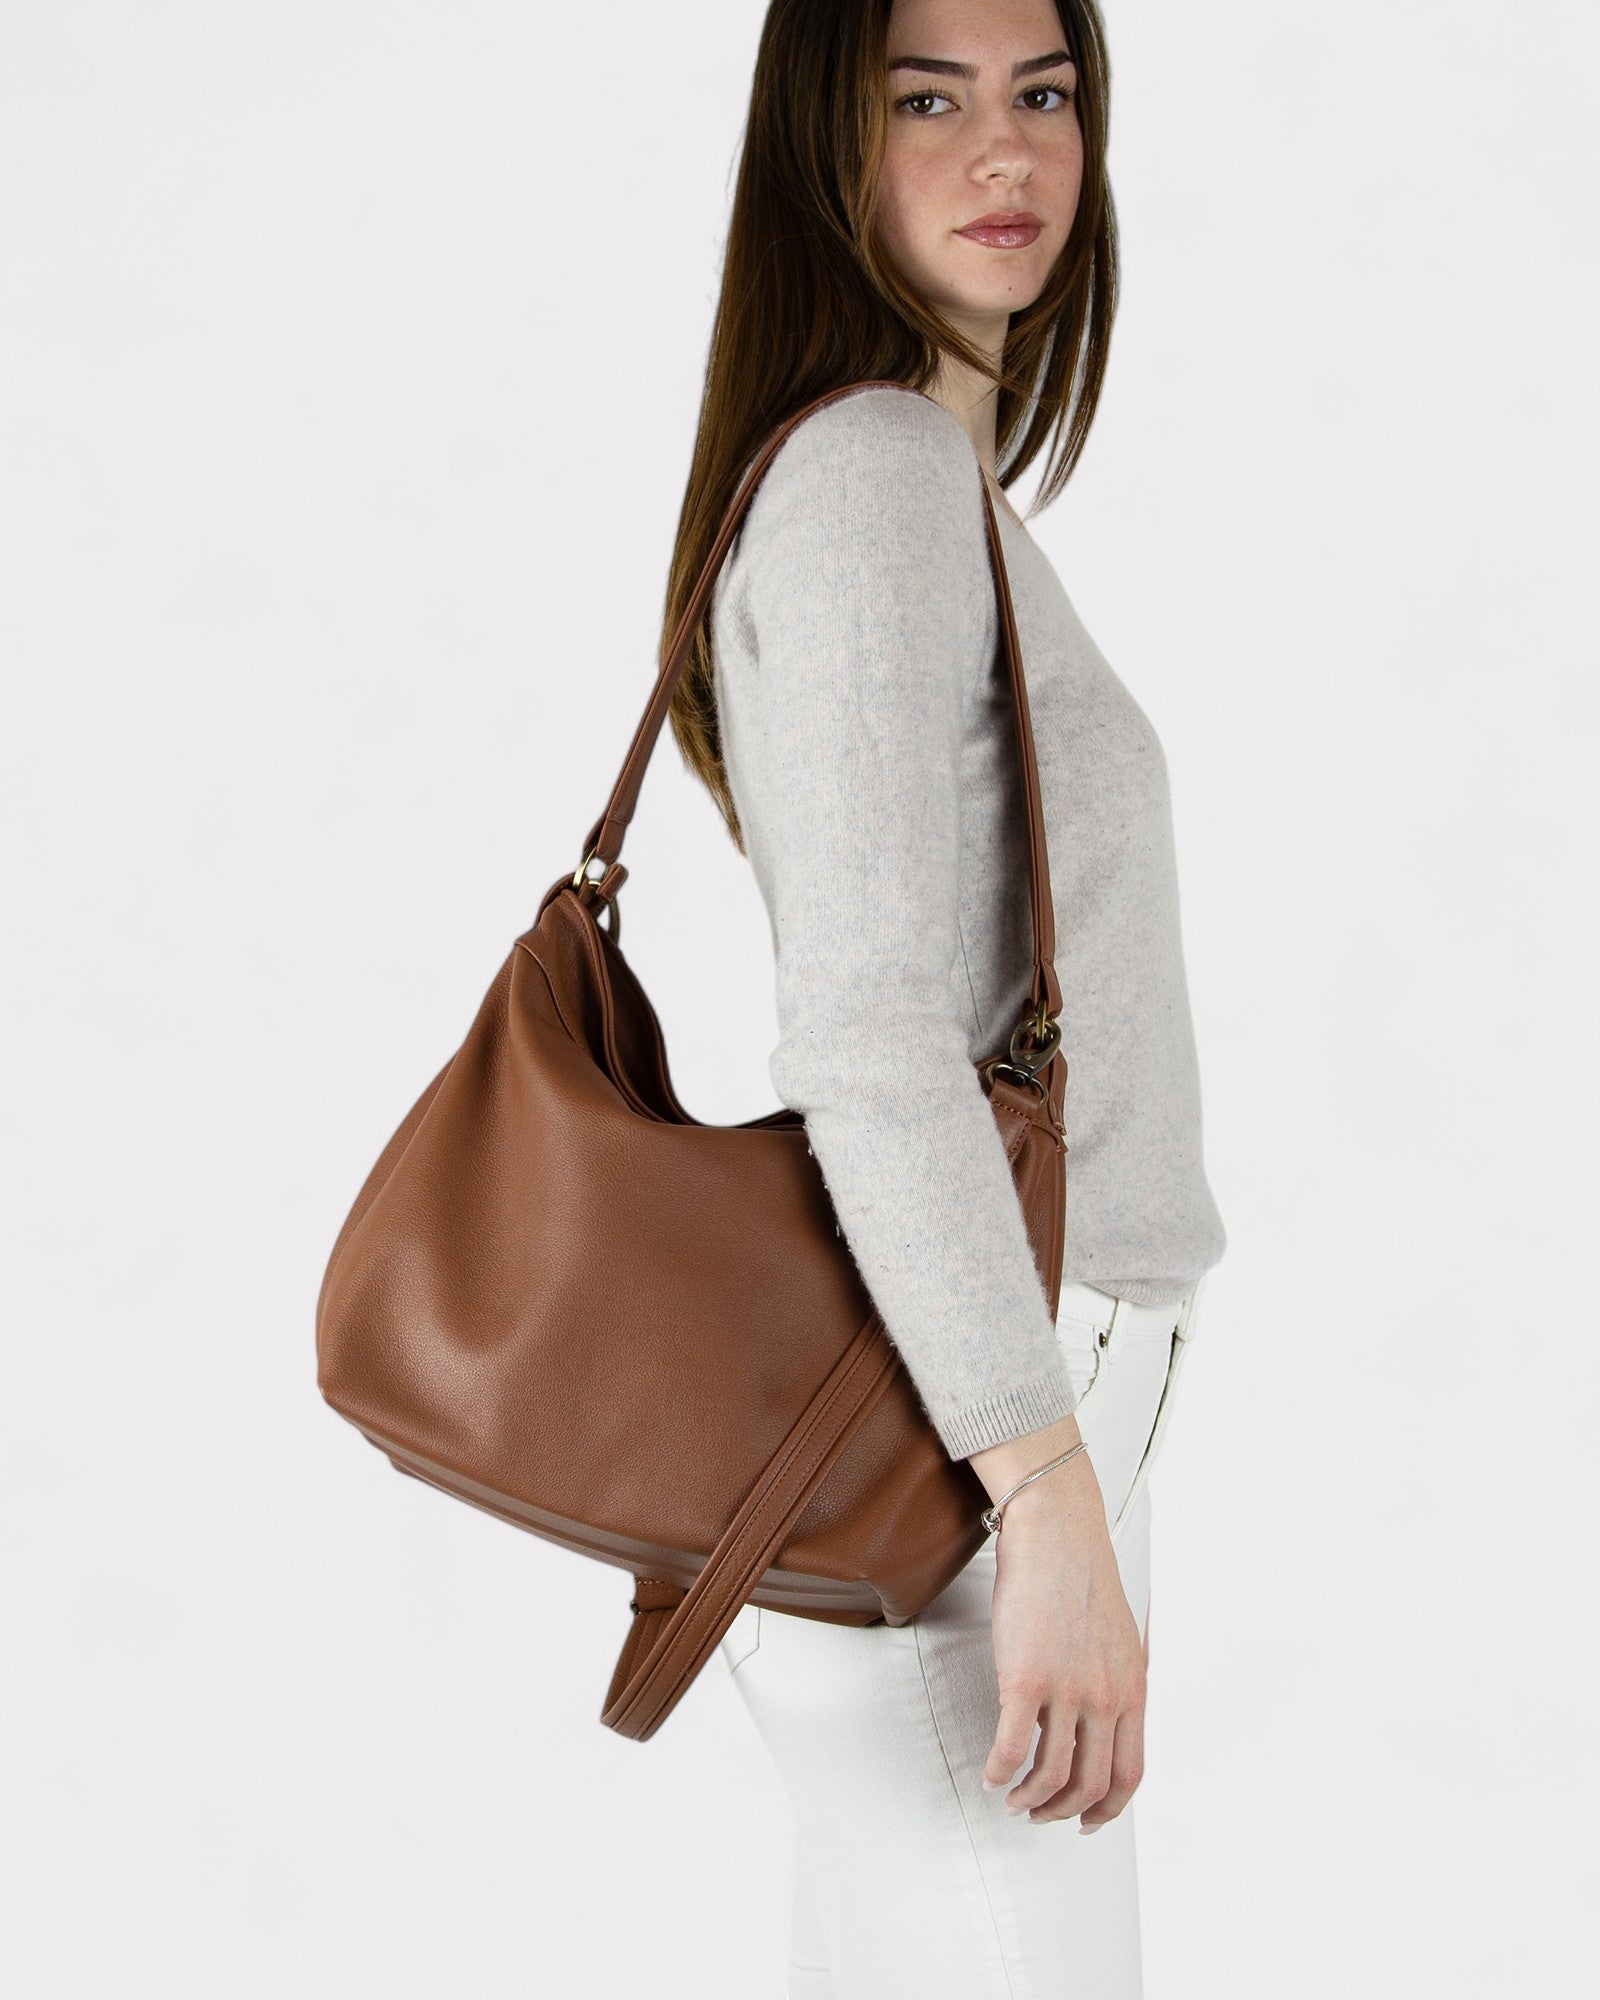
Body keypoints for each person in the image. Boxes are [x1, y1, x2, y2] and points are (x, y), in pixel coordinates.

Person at [662, 2, 1227, 1993]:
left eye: (1043, 93)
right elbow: (871, 1047)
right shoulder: (872, 481)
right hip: (966, 1465)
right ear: (828, 140)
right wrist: (1043, 1489)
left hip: (970, 1441)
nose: (1004, 153)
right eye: (926, 99)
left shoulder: (908, 481)